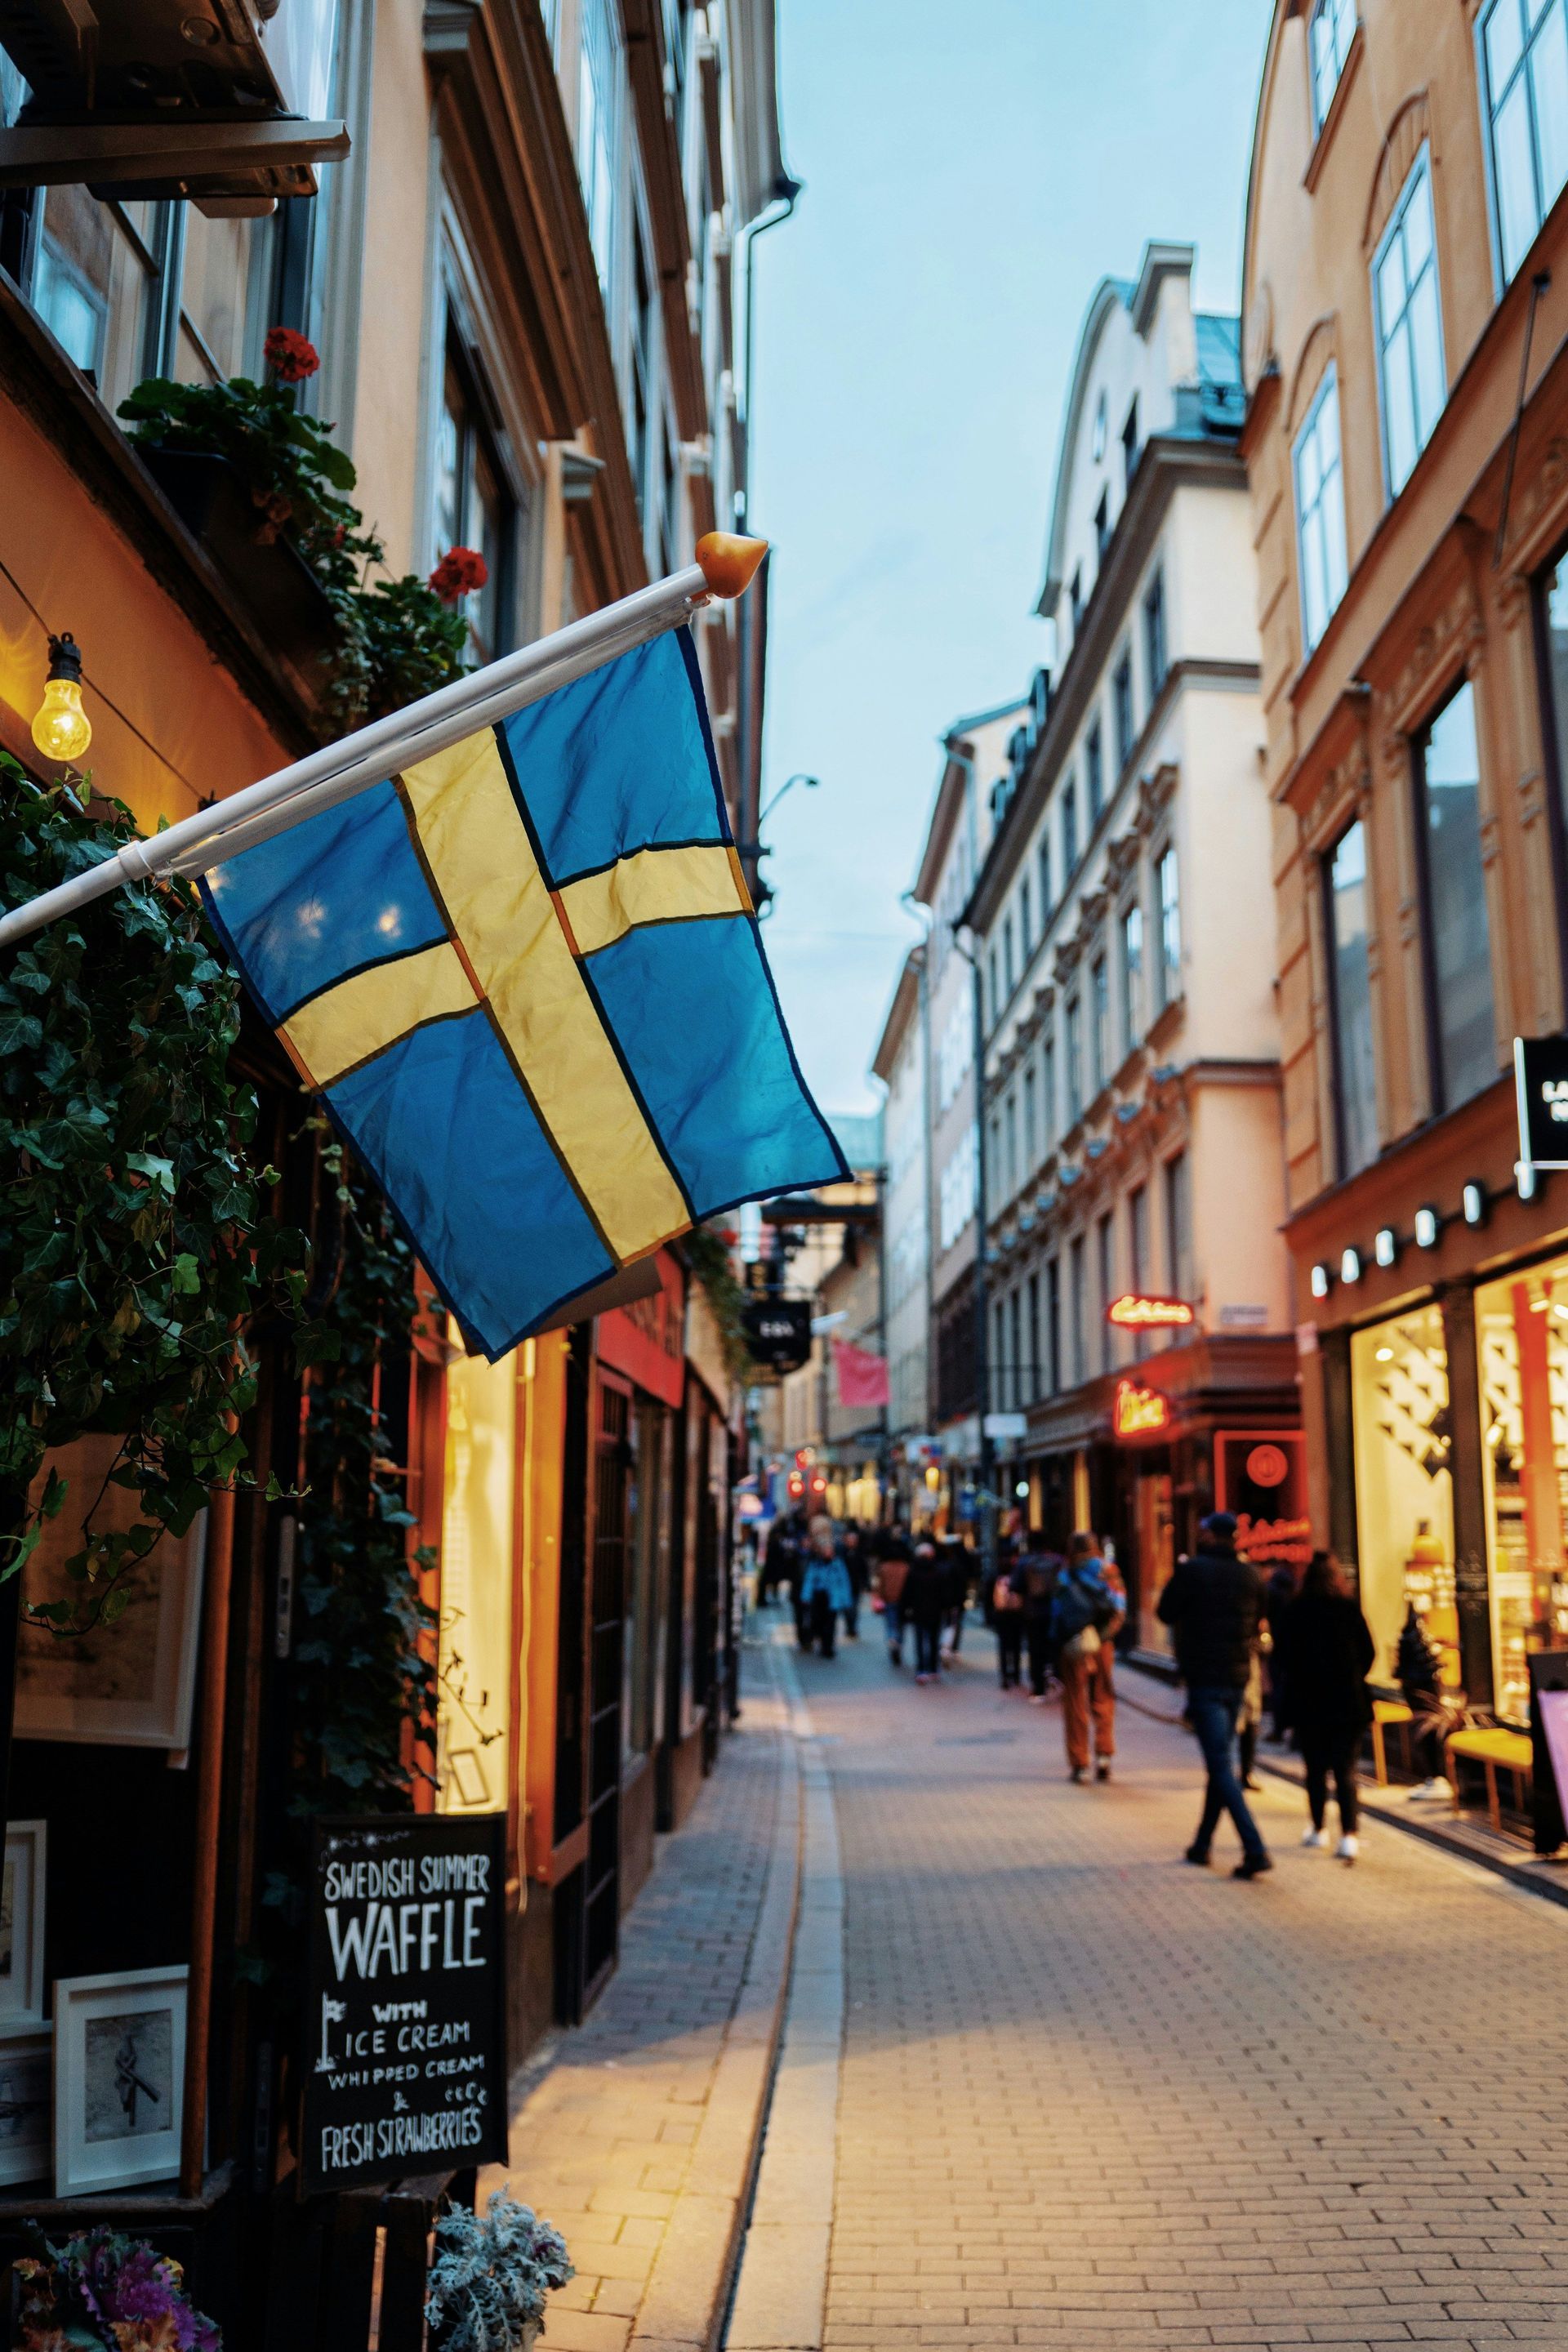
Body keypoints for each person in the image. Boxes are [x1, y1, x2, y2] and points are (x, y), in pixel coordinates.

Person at [1157, 1512, 1272, 1878]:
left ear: (1210, 1536)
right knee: (1219, 1763)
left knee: (1220, 1766)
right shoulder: (1251, 1575)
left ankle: (1254, 1849)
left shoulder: (1193, 1571)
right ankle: (1202, 1844)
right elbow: (1260, 1621)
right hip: (1237, 1677)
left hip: (1205, 1678)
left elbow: (1165, 1611)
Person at [1276, 1550, 1375, 1861]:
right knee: (1346, 1771)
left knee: (1315, 1770)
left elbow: (1283, 1657)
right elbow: (1369, 1652)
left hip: (1309, 1702)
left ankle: (1318, 1830)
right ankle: (1349, 1836)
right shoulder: (1348, 1609)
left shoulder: (1296, 1610)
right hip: (1347, 1702)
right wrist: (1353, 1677)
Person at [1051, 1532, 1125, 1783]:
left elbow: (1057, 1612)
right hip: (1102, 1643)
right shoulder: (1109, 1571)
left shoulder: (1065, 1574)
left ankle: (1080, 1763)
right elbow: (1119, 1608)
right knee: (1103, 1695)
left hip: (1073, 1644)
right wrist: (1103, 1636)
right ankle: (1104, 1755)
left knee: (1075, 1701)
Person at [1396, 1601, 1447, 1802]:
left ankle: (1438, 1777)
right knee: (1423, 1727)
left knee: (1426, 1728)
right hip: (1419, 1679)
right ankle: (1434, 1777)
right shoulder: (1414, 1638)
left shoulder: (1414, 1639)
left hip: (1420, 1680)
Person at [1016, 1545, 1063, 1703]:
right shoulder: (1056, 1561)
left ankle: (1039, 1689)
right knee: (1054, 1646)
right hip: (1054, 1610)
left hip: (1032, 1612)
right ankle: (1056, 1675)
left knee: (1035, 1650)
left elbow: (1016, 1586)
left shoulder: (1025, 1562)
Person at [796, 1529, 853, 1660]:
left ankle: (828, 1646)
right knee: (819, 1622)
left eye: (830, 1550)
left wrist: (846, 1600)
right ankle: (822, 1642)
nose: (828, 1552)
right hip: (819, 1597)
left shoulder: (838, 1564)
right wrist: (806, 1596)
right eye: (826, 1550)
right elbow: (810, 1580)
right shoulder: (816, 1564)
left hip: (833, 1598)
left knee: (831, 1623)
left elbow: (844, 1582)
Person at [903, 1539, 947, 1684]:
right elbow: (944, 1593)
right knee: (934, 1641)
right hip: (935, 1612)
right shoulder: (938, 1571)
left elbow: (907, 1593)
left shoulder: (913, 1571)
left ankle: (922, 1670)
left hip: (918, 1612)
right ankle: (933, 1669)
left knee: (920, 1641)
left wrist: (905, 1609)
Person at [987, 1544, 1025, 1690]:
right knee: (1015, 1645)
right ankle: (1015, 1674)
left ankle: (1005, 1676)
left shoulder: (996, 1574)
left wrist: (990, 1616)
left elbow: (988, 1597)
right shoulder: (1017, 1572)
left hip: (1001, 1614)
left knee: (1004, 1646)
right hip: (1016, 1614)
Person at [878, 1530, 912, 1667]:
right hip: (903, 1601)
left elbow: (880, 1585)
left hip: (889, 1599)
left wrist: (881, 1596)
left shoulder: (884, 1567)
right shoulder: (906, 1567)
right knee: (902, 1625)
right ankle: (898, 1642)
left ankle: (892, 1639)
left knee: (891, 1623)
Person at [840, 1522, 867, 1641]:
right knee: (847, 1609)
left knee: (854, 1609)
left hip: (856, 1586)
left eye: (854, 1540)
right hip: (845, 1586)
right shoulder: (842, 1554)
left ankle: (852, 1628)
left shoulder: (860, 1554)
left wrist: (865, 1584)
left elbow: (864, 1570)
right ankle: (849, 1626)